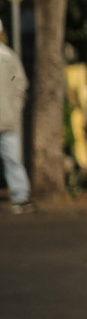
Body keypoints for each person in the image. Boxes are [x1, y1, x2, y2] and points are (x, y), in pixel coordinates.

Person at [0, 17, 33, 214]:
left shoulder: (7, 57)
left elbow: (19, 83)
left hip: (7, 118)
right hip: (8, 117)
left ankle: (21, 196)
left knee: (12, 158)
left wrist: (14, 108)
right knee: (13, 158)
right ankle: (20, 196)